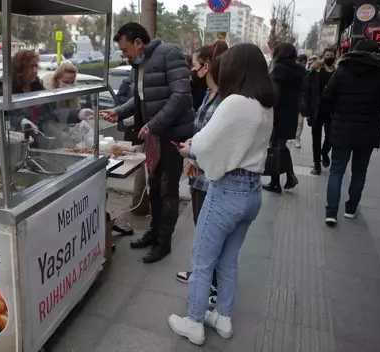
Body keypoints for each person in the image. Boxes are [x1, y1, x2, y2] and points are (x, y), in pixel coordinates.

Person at [167, 44, 275, 346]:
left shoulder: (235, 102)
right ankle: (223, 318)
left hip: (227, 191)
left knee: (202, 260)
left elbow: (203, 143)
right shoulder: (264, 104)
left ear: (236, 68)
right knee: (228, 259)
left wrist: (191, 150)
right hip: (252, 192)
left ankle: (194, 322)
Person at [100, 22, 194, 264]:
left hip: (171, 135)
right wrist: (119, 112)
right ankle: (154, 232)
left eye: (125, 49)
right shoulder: (138, 64)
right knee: (154, 188)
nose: (124, 55)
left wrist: (154, 125)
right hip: (152, 136)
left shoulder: (169, 54)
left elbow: (181, 95)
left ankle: (164, 242)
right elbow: (138, 97)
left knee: (167, 190)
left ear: (138, 43)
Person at [174, 41, 229, 307]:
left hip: (211, 178)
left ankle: (213, 286)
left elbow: (218, 142)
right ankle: (201, 276)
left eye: (195, 66)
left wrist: (192, 152)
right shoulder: (209, 93)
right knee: (201, 230)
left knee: (210, 234)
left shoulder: (225, 100)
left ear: (207, 66)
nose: (193, 72)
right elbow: (202, 132)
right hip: (198, 173)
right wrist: (191, 151)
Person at [321, 40, 380, 227]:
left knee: (337, 170)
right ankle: (350, 209)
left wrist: (335, 113)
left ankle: (331, 212)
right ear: (377, 53)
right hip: (368, 130)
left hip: (342, 128)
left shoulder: (343, 69)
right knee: (359, 172)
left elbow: (327, 96)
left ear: (354, 51)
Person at [0, 50, 93, 147]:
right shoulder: (2, 88)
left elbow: (52, 111)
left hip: (39, 145)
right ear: (19, 68)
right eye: (31, 67)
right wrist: (20, 121)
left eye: (36, 66)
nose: (35, 70)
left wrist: (78, 114)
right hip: (13, 148)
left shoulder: (37, 87)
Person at [263, 43, 304, 193]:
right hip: (291, 113)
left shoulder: (279, 69)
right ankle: (288, 177)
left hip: (278, 114)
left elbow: (275, 95)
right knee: (280, 146)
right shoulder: (299, 69)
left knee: (276, 147)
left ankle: (278, 182)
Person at [116, 75, 150, 216]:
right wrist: (118, 112)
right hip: (137, 131)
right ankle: (139, 208)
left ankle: (145, 210)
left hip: (150, 133)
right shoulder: (129, 81)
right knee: (141, 174)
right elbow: (131, 99)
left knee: (149, 177)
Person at [300, 47, 337, 175]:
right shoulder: (315, 72)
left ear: (335, 56)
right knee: (316, 138)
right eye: (327, 55)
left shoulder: (338, 72)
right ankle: (317, 164)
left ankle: (324, 152)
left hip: (332, 110)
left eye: (331, 55)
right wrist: (305, 109)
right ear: (323, 56)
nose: (329, 57)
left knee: (331, 137)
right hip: (316, 110)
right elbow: (306, 91)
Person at [294, 54, 309, 148]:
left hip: (301, 100)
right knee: (298, 121)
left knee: (300, 121)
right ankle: (295, 137)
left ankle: (297, 138)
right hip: (295, 100)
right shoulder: (293, 72)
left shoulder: (307, 73)